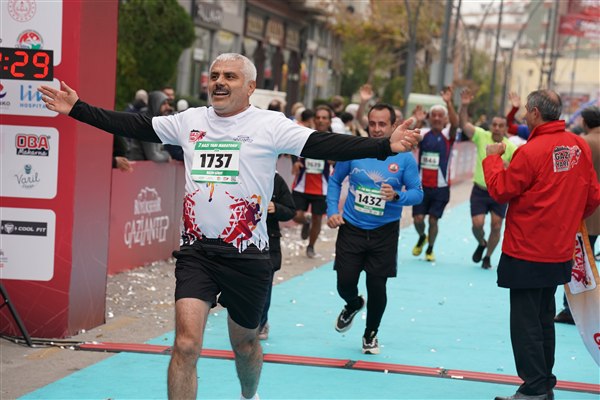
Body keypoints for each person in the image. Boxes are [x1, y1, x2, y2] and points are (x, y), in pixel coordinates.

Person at [38, 53, 421, 400]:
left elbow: (326, 144)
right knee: (186, 345)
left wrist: (384, 146)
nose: (219, 82)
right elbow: (136, 124)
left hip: (248, 256)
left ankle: (248, 395)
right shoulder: (190, 121)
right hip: (198, 252)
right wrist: (79, 109)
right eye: (215, 75)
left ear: (250, 87)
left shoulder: (270, 125)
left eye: (230, 77)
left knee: (245, 345)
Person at [483, 90, 600, 400]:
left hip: (526, 250)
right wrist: (566, 217)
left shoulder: (531, 151)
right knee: (543, 317)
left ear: (535, 112)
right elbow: (592, 197)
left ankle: (535, 386)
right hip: (559, 250)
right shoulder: (578, 146)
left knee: (526, 322)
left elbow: (500, 189)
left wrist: (492, 159)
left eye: (526, 110)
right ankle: (543, 383)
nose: (524, 114)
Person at [327, 103, 423, 354]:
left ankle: (370, 334)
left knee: (377, 286)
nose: (377, 129)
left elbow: (417, 193)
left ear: (393, 125)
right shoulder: (355, 149)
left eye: (382, 124)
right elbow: (335, 180)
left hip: (384, 232)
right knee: (344, 282)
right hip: (352, 227)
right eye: (372, 124)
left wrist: (397, 196)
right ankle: (353, 303)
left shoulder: (405, 157)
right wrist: (332, 211)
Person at [453, 88, 517, 269]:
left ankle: (488, 256)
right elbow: (463, 124)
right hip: (480, 190)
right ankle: (481, 242)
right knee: (477, 224)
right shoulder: (482, 136)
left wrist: (507, 166)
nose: (496, 128)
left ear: (505, 128)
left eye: (500, 125)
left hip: (499, 193)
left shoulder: (511, 147)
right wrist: (464, 105)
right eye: (494, 124)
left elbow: (517, 171)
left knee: (496, 226)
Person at [555, 105, 600, 324]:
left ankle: (571, 309)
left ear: (585, 122)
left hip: (586, 211)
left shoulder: (584, 143)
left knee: (578, 262)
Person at [411, 87, 458, 262]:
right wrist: (418, 121)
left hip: (441, 188)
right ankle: (422, 237)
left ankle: (430, 248)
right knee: (418, 219)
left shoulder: (448, 135)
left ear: (444, 119)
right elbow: (412, 140)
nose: (437, 118)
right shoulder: (423, 134)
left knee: (433, 220)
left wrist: (448, 103)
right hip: (421, 186)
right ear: (429, 118)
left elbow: (456, 124)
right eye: (434, 115)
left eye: (440, 115)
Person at [291, 105, 335, 258]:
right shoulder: (305, 135)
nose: (321, 120)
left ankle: (311, 246)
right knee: (294, 214)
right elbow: (292, 148)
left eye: (324, 118)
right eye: (318, 117)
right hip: (302, 185)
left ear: (329, 121)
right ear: (313, 120)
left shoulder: (334, 140)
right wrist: (295, 162)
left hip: (322, 188)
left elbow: (340, 158)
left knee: (318, 219)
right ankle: (305, 221)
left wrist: (334, 160)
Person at [258, 172, 296, 340]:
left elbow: (291, 210)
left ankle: (261, 323)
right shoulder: (239, 176)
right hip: (241, 241)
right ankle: (243, 324)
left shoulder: (276, 180)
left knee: (264, 287)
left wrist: (276, 208)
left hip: (268, 243)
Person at [128, 91, 172, 162]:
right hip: (138, 167)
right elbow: (153, 157)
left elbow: (159, 152)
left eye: (168, 104)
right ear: (156, 104)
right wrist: (166, 155)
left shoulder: (156, 124)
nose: (168, 107)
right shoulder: (147, 125)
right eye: (164, 104)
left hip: (144, 167)